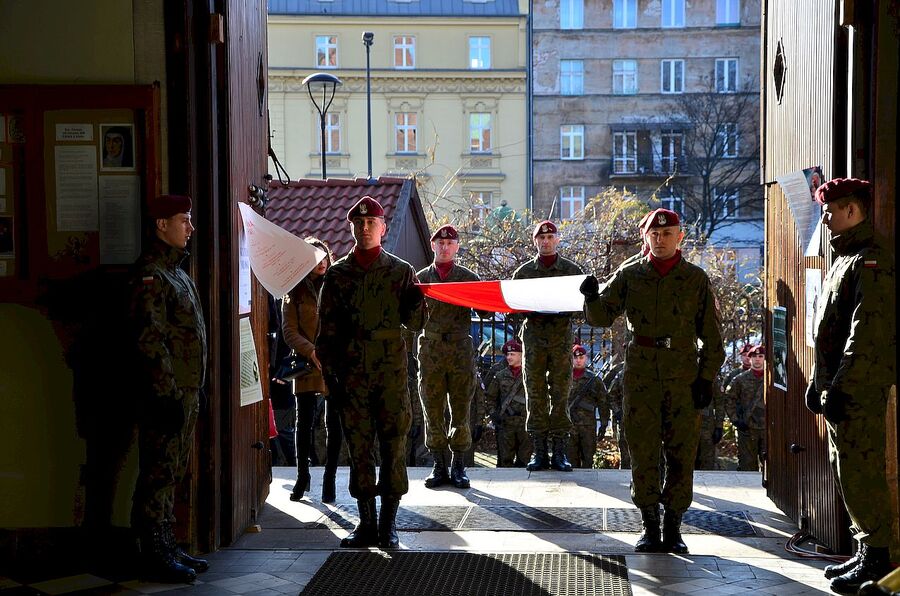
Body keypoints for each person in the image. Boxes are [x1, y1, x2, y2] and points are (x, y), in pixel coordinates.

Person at [581, 207, 725, 554]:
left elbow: (712, 337)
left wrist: (705, 378)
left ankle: (673, 527)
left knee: (681, 451)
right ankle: (649, 526)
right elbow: (602, 317)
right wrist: (590, 297)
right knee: (643, 449)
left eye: (667, 234)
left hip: (682, 375)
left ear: (680, 237)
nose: (660, 240)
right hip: (642, 374)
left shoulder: (695, 278)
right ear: (645, 237)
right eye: (654, 234)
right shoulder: (630, 274)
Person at [316, 196, 426, 549]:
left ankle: (388, 525)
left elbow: (416, 322)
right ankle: (366, 523)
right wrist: (330, 375)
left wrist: (416, 303)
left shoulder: (401, 271)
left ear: (382, 228)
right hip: (352, 373)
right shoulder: (337, 274)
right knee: (359, 447)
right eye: (359, 224)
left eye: (371, 224)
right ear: (352, 228)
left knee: (394, 444)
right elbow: (326, 332)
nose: (365, 229)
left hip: (391, 371)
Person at [805, 178, 896, 594]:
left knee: (861, 472)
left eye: (830, 210)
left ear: (853, 210)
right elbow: (828, 333)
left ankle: (877, 558)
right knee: (846, 471)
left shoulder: (870, 260)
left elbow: (866, 334)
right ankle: (865, 550)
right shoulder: (845, 258)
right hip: (839, 388)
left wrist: (841, 386)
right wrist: (817, 381)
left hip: (858, 389)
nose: (824, 217)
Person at [128, 194, 208, 583]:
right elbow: (150, 340)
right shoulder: (151, 274)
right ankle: (152, 550)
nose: (189, 227)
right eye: (183, 220)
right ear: (162, 224)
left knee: (172, 470)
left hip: (186, 390)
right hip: (166, 393)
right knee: (157, 472)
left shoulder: (176, 271)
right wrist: (166, 393)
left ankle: (167, 541)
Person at [417, 224, 486, 489]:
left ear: (456, 247)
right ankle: (438, 463)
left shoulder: (468, 277)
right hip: (431, 351)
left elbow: (487, 312)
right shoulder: (421, 279)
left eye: (450, 244)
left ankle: (458, 464)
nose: (444, 247)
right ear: (433, 246)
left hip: (459, 350)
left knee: (460, 407)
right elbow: (411, 318)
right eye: (440, 243)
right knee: (432, 408)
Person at [512, 220, 584, 472]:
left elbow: (583, 304)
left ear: (557, 240)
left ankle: (560, 452)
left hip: (560, 340)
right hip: (533, 339)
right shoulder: (523, 272)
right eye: (541, 238)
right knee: (535, 392)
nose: (545, 241)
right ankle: (539, 450)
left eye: (550, 237)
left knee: (561, 392)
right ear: (535, 241)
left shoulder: (572, 270)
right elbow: (514, 306)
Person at [282, 237, 336, 502]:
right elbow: (289, 331)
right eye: (316, 257)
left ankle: (330, 478)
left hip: (333, 361)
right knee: (303, 423)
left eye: (325, 256)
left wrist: (328, 350)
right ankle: (302, 476)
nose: (322, 262)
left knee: (333, 422)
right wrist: (311, 351)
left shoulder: (337, 285)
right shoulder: (294, 291)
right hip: (305, 363)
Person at [485, 339, 531, 467]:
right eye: (508, 354)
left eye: (513, 354)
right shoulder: (500, 376)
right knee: (504, 463)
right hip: (506, 425)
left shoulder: (530, 375)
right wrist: (494, 414)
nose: (509, 357)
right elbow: (490, 398)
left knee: (524, 462)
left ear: (522, 355)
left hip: (525, 425)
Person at [724, 344, 766, 472]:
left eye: (760, 356)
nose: (757, 359)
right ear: (750, 359)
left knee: (771, 467)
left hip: (768, 428)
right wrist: (736, 420)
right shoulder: (740, 380)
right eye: (754, 356)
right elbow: (728, 399)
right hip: (747, 429)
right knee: (747, 467)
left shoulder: (773, 378)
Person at [567, 344, 610, 469]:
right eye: (575, 358)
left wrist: (604, 423)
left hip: (588, 426)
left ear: (586, 358)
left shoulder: (594, 380)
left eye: (581, 357)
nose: (578, 360)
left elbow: (603, 402)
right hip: (569, 425)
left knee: (587, 460)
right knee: (571, 461)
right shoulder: (564, 378)